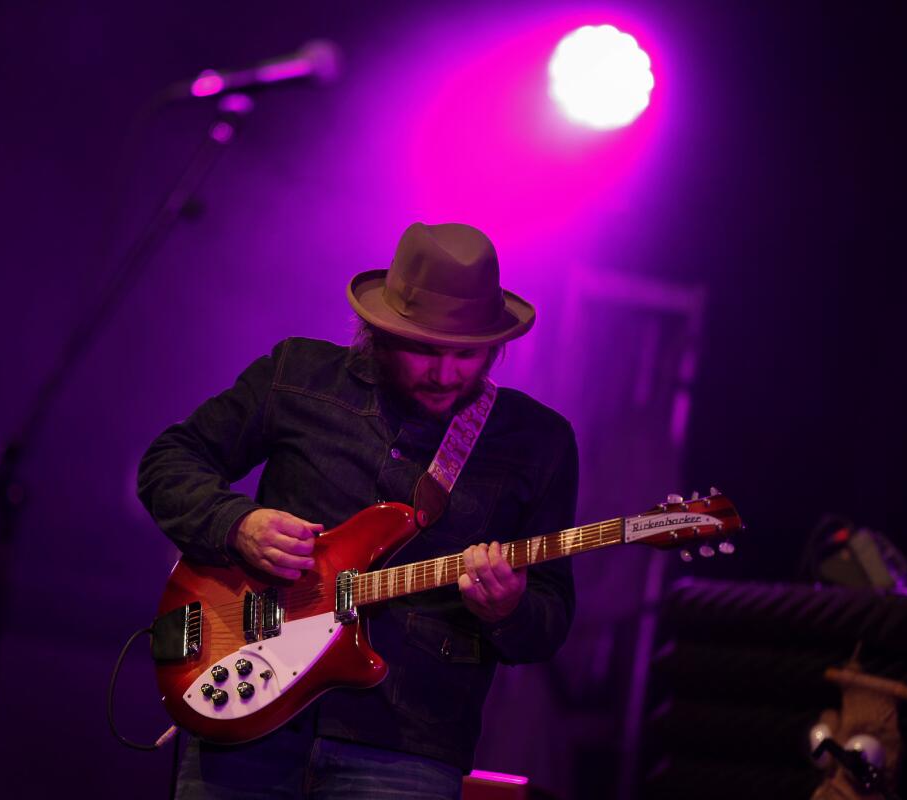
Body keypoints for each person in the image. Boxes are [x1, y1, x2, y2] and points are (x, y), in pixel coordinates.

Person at [137, 222, 579, 799]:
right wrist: (236, 525)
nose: (446, 374)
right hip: (246, 715)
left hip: (408, 748)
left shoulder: (537, 442)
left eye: (468, 355)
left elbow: (548, 622)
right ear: (379, 331)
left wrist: (508, 609)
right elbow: (168, 461)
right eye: (423, 348)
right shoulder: (297, 375)